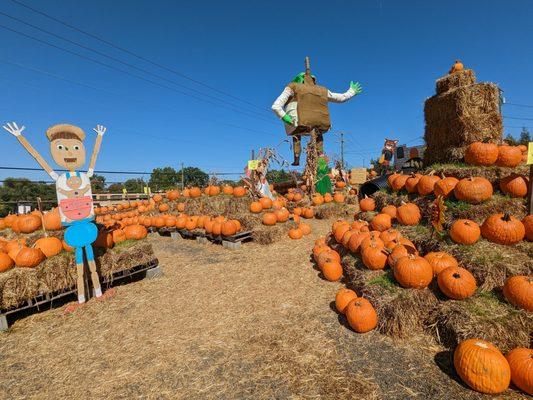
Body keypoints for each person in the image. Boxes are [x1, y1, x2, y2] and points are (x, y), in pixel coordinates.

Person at [3, 122, 107, 306]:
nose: (69, 153)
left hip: (85, 222)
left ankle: (98, 290)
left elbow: (93, 159)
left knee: (90, 258)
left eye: (75, 148)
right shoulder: (59, 179)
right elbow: (39, 159)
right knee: (79, 263)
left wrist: (99, 137)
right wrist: (20, 137)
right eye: (62, 148)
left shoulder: (84, 177)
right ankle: (82, 297)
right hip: (73, 224)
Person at [271, 72, 362, 166]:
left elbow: (276, 106)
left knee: (297, 135)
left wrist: (285, 117)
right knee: (318, 136)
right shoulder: (321, 90)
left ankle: (297, 158)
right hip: (319, 122)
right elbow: (340, 98)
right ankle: (320, 161)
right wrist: (351, 91)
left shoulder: (293, 87)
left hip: (298, 121)